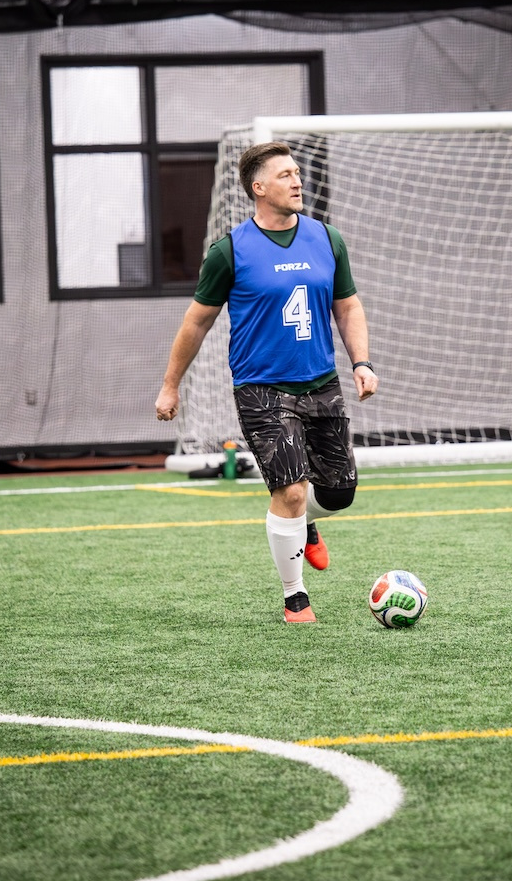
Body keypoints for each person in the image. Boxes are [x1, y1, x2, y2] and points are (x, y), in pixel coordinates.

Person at [155, 142, 377, 623]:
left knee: (338, 493)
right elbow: (197, 322)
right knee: (291, 491)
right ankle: (295, 597)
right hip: (262, 388)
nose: (297, 181)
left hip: (321, 382)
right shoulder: (229, 251)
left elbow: (347, 306)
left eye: (297, 173)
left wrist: (361, 362)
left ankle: (305, 524)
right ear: (258, 187)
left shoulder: (327, 239)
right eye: (284, 175)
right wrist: (171, 386)